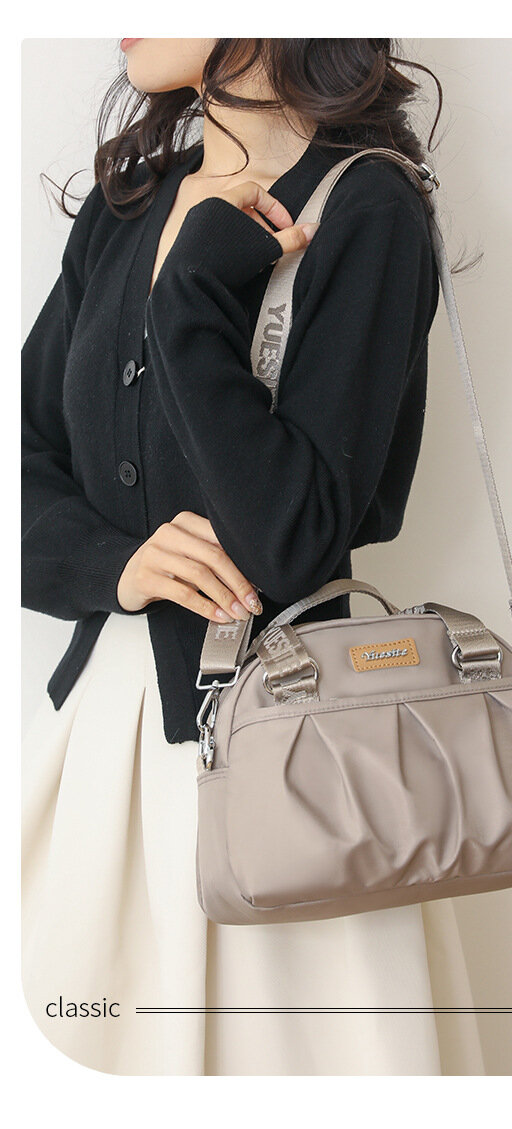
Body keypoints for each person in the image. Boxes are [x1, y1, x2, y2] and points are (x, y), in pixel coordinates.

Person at [21, 37, 485, 1076]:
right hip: (109, 750)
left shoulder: (367, 208)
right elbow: (25, 455)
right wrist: (114, 563)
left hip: (295, 757)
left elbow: (295, 539)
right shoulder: (126, 206)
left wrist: (192, 297)